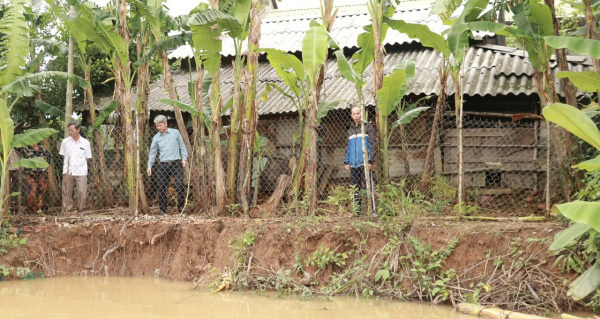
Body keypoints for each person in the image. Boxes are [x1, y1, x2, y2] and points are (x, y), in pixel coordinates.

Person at [147, 115, 188, 215]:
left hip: (176, 164)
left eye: (160, 125)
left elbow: (182, 146)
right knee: (161, 187)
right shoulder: (156, 138)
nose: (158, 128)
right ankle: (162, 209)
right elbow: (152, 152)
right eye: (157, 126)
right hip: (163, 165)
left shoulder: (175, 133)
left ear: (166, 124)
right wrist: (149, 165)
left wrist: (184, 158)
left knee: (179, 185)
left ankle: (181, 207)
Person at [344, 106, 376, 215]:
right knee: (355, 188)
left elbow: (373, 144)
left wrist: (371, 160)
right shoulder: (350, 130)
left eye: (358, 113)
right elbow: (348, 147)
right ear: (351, 115)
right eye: (354, 114)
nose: (356, 115)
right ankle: (356, 211)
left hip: (365, 163)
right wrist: (347, 161)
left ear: (362, 113)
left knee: (369, 187)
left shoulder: (368, 127)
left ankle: (372, 211)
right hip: (353, 164)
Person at [60, 121, 92, 214]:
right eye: (69, 130)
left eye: (72, 130)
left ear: (78, 130)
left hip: (81, 171)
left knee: (81, 191)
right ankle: (67, 210)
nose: (70, 132)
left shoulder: (85, 143)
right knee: (66, 191)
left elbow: (87, 157)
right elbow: (62, 155)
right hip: (68, 170)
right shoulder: (65, 142)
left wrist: (79, 163)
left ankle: (81, 210)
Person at [17, 143, 51, 213]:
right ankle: (29, 209)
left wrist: (46, 165)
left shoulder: (42, 148)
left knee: (41, 192)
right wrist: (26, 169)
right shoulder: (25, 149)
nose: (33, 143)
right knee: (32, 193)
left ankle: (38, 210)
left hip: (42, 173)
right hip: (30, 174)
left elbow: (49, 155)